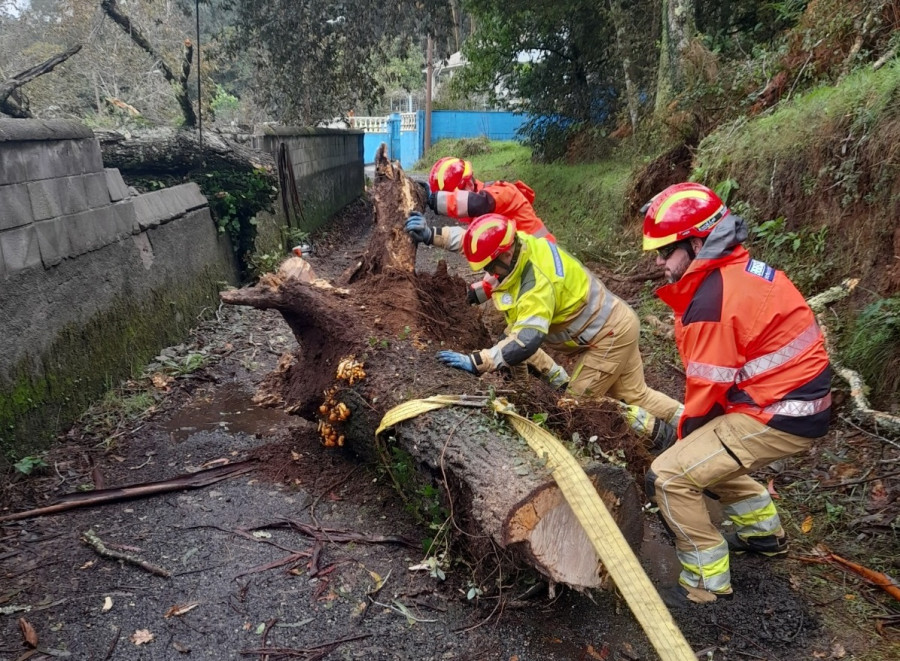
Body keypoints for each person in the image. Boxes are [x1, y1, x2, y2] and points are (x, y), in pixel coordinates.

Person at [640, 182, 832, 607]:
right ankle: (763, 535)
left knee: (671, 476)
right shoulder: (738, 273)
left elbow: (705, 399)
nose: (657, 262)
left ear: (695, 243)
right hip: (793, 402)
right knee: (703, 457)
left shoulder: (712, 302)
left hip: (780, 412)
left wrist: (682, 441)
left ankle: (705, 582)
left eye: (665, 250)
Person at [430, 212, 684, 442]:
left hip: (608, 337)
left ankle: (660, 436)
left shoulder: (537, 286)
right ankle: (692, 421)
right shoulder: (519, 243)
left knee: (578, 406)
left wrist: (478, 361)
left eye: (489, 267)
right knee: (636, 394)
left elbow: (525, 341)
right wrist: (433, 235)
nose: (487, 273)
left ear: (506, 255)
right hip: (620, 321)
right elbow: (477, 239)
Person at [407, 156, 555, 305]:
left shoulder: (501, 193)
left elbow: (479, 203)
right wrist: (430, 234)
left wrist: (434, 200)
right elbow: (472, 244)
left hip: (546, 264)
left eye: (453, 196)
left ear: (469, 184)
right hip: (525, 263)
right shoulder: (484, 219)